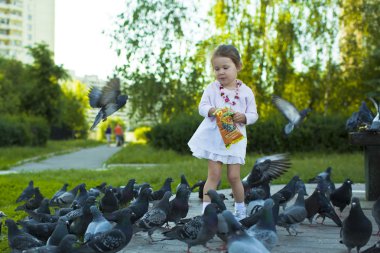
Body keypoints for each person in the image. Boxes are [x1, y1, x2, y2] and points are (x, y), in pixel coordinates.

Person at [188, 44, 259, 220]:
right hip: (215, 138)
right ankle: (206, 212)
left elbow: (254, 114)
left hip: (235, 138)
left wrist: (244, 117)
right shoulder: (212, 88)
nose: (221, 72)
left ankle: (240, 210)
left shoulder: (246, 92)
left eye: (225, 67)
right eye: (216, 68)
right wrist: (213, 111)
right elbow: (202, 107)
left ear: (238, 66)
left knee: (234, 177)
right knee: (213, 175)